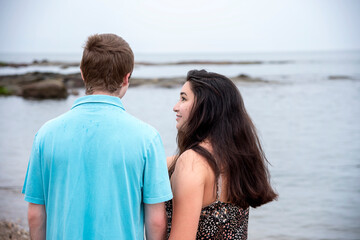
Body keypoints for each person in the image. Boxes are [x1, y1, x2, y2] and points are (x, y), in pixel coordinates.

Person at [22, 33, 173, 240]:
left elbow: (35, 215)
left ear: (83, 74)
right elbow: (156, 222)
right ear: (126, 78)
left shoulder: (45, 134)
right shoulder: (148, 138)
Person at [166, 69, 278, 239]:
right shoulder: (236, 160)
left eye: (183, 98)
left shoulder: (192, 162)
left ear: (205, 106)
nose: (175, 107)